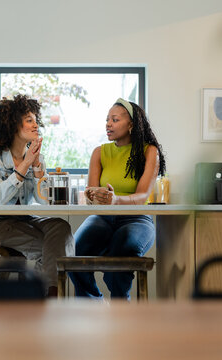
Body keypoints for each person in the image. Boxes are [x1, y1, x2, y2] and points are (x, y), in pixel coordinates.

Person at [0, 94, 74, 297]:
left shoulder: (36, 157)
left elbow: (44, 202)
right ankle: (50, 295)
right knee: (52, 249)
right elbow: (0, 198)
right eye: (29, 120)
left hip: (23, 220)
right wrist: (26, 163)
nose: (36, 125)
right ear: (12, 125)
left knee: (60, 226)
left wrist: (37, 168)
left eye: (36, 120)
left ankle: (50, 294)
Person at [69, 98, 166, 300]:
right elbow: (92, 192)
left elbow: (142, 197)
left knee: (122, 253)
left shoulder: (149, 151)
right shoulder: (100, 152)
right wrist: (92, 195)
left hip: (136, 218)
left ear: (131, 124)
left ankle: (120, 307)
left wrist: (116, 200)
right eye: (107, 120)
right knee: (74, 254)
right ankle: (94, 304)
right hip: (103, 217)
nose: (108, 124)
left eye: (114, 119)